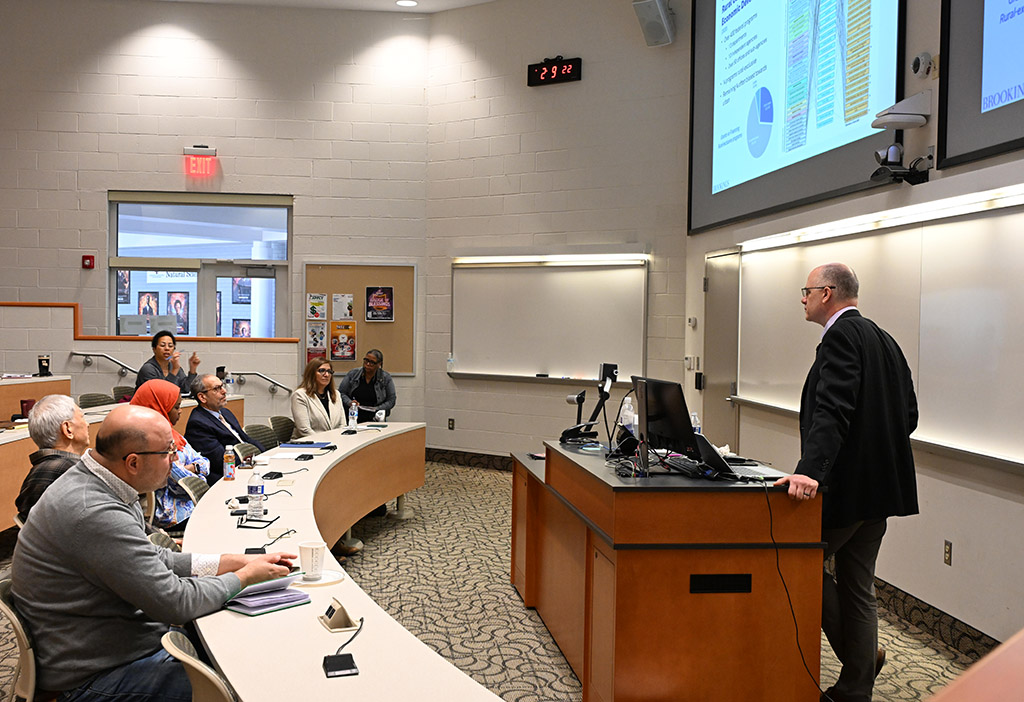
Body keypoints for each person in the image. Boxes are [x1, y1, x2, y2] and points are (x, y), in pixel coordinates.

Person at [10, 404, 295, 699]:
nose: (175, 460)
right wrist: (245, 577)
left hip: (112, 645)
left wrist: (233, 562)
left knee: (231, 643)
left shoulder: (105, 481)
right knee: (241, 683)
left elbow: (155, 557)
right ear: (133, 462)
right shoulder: (94, 511)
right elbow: (175, 602)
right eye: (169, 452)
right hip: (95, 676)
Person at [775, 263, 918, 702]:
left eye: (807, 290)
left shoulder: (839, 337)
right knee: (858, 586)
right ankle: (857, 686)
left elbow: (832, 409)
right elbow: (908, 415)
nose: (802, 298)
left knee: (794, 560)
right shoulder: (885, 340)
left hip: (847, 491)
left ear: (828, 293)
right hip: (881, 492)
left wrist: (810, 471)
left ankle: (860, 662)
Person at [130, 379, 210, 530]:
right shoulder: (153, 442)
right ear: (160, 407)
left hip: (191, 507)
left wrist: (190, 468)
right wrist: (196, 469)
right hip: (174, 517)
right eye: (176, 407)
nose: (180, 411)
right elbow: (185, 488)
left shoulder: (172, 434)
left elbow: (205, 462)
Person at [15, 395, 90, 524]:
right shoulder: (73, 473)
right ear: (68, 429)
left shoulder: (40, 471)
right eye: (82, 417)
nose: (87, 424)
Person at [184, 374, 264, 482]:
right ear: (202, 397)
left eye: (222, 386)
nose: (224, 391)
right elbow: (222, 461)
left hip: (247, 467)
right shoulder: (198, 424)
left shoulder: (225, 413)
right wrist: (255, 460)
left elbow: (246, 439)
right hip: (228, 478)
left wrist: (264, 455)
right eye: (217, 389)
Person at [337, 348, 396, 423]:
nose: (368, 364)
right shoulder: (353, 374)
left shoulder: (385, 378)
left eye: (372, 362)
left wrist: (377, 408)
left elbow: (391, 400)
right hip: (353, 417)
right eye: (366, 360)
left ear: (379, 364)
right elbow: (341, 393)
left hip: (375, 418)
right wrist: (350, 402)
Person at [290, 358, 345, 438]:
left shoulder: (336, 394)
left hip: (333, 442)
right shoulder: (300, 395)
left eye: (329, 371)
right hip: (308, 444)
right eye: (322, 370)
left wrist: (338, 440)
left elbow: (342, 424)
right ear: (311, 373)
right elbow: (304, 430)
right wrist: (327, 442)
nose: (326, 375)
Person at [135, 330, 200, 394]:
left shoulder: (173, 366)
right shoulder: (148, 369)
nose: (167, 348)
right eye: (162, 345)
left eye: (170, 346)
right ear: (154, 349)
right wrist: (174, 370)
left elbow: (186, 388)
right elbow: (163, 394)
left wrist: (192, 369)